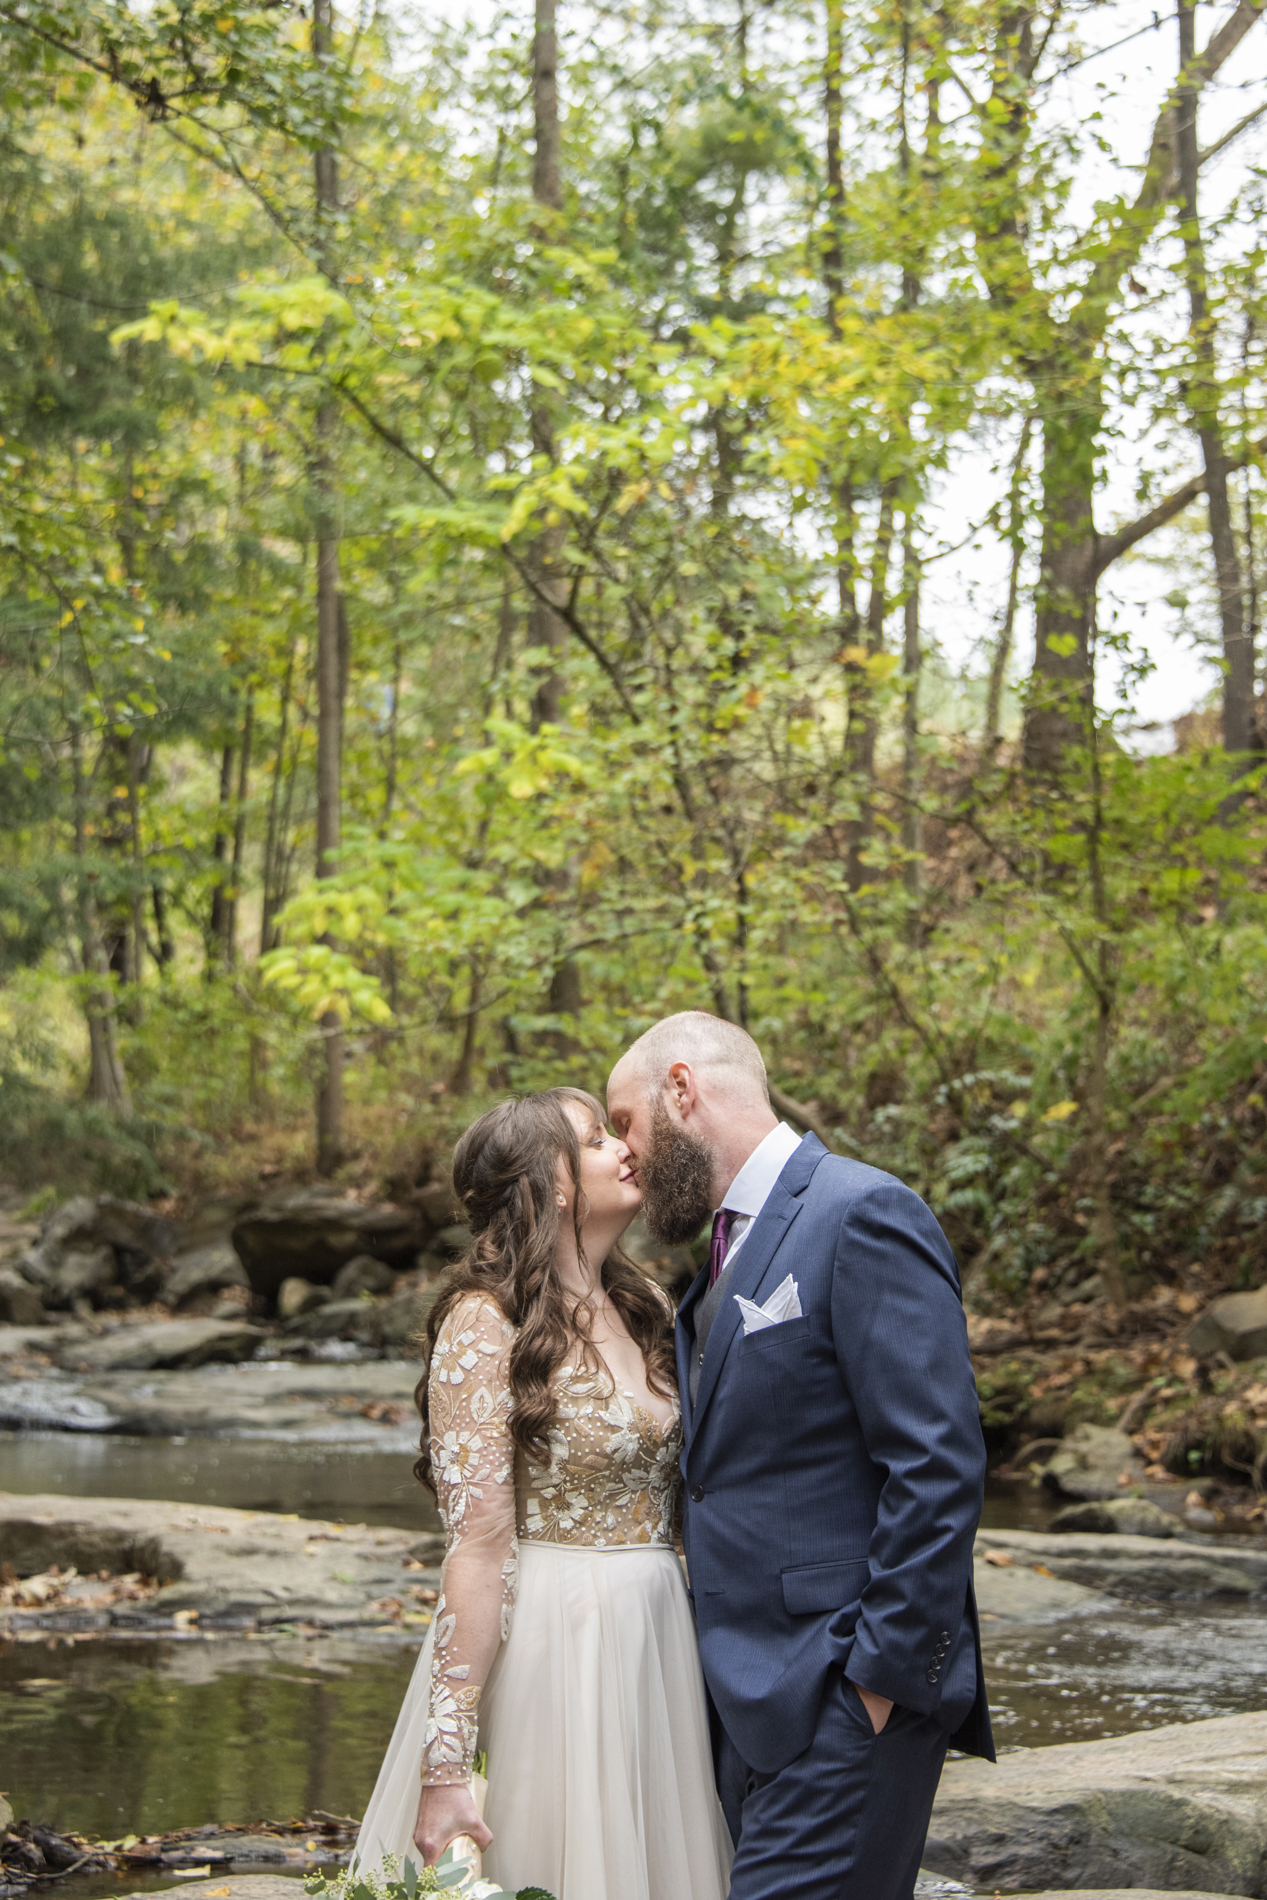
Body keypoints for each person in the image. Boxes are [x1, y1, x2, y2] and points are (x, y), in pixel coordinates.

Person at [606, 1012, 994, 1900]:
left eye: (624, 1121)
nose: (624, 1153)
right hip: (741, 1705)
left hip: (840, 1693)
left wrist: (879, 1683)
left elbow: (936, 1463)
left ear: (681, 1088)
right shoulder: (713, 1258)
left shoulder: (860, 1211)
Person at [354, 1087, 732, 1900]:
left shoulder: (647, 1306)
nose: (625, 1148)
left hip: (658, 1636)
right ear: (551, 1183)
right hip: (554, 1645)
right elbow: (479, 1547)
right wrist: (445, 1759)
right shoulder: (482, 1324)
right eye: (596, 1138)